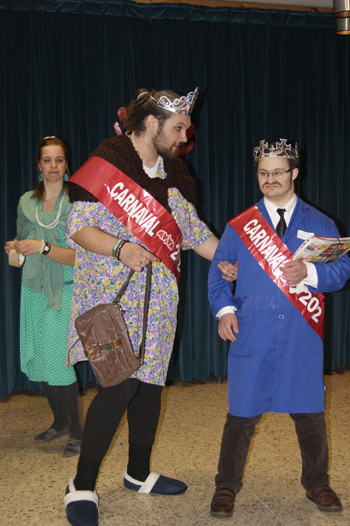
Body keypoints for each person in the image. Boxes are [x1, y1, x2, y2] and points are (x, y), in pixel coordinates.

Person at [62, 88, 237, 526]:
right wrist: (120, 248)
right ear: (152, 123)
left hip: (159, 300)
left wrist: (235, 263)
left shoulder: (175, 174)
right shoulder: (108, 163)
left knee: (151, 386)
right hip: (109, 300)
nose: (185, 136)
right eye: (178, 127)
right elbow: (77, 226)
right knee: (120, 386)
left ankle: (137, 474)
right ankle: (80, 484)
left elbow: (194, 233)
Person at [208, 139, 350, 518]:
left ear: (294, 174)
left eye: (277, 172)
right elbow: (218, 274)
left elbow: (341, 271)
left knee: (310, 416)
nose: (270, 179)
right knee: (241, 416)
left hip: (301, 335)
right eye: (263, 173)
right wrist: (224, 311)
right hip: (253, 333)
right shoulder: (240, 226)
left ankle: (318, 483)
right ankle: (226, 485)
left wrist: (311, 271)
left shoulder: (322, 224)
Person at [5, 136, 83, 457]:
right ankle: (60, 422)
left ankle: (78, 431)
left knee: (58, 363)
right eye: (47, 160)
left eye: (59, 160)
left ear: (67, 165)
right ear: (39, 165)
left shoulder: (77, 203)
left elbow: (82, 256)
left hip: (63, 292)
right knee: (40, 360)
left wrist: (44, 247)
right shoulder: (27, 202)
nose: (53, 166)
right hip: (33, 290)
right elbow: (22, 239)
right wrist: (15, 247)